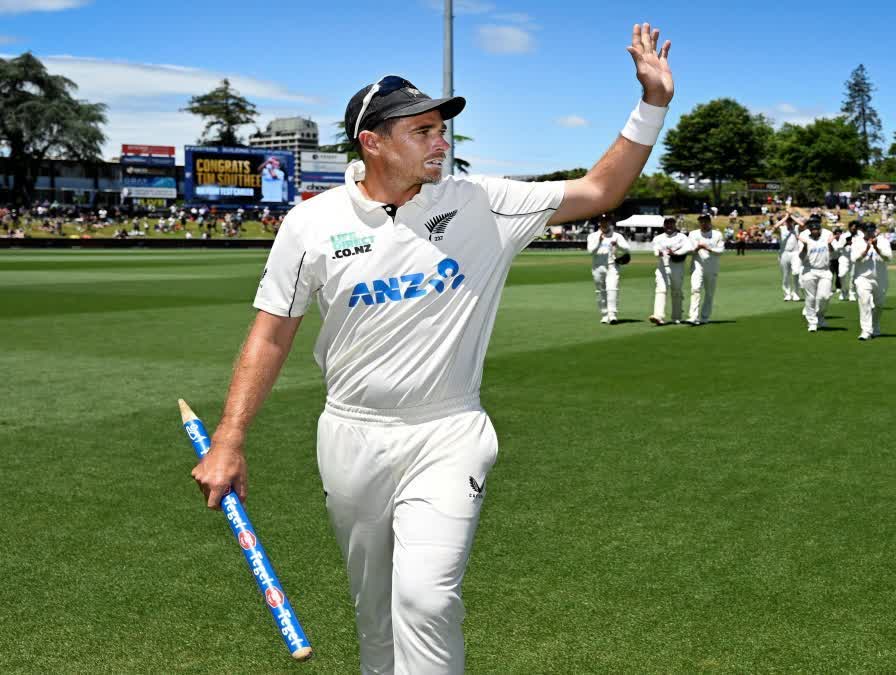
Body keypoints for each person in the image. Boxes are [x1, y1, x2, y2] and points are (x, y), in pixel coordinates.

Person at [189, 23, 675, 675]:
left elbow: (598, 192)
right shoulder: (311, 224)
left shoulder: (483, 203)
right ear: (372, 142)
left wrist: (652, 104)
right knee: (375, 614)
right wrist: (229, 436)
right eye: (423, 131)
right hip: (350, 436)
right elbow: (271, 332)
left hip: (449, 430)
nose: (441, 142)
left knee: (425, 598)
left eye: (441, 129)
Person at [586, 213, 630, 324]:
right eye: (602, 221)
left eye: (606, 221)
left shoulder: (617, 236)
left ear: (610, 222)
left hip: (612, 266)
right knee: (601, 292)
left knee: (612, 289)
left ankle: (612, 315)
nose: (604, 223)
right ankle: (605, 314)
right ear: (599, 223)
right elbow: (591, 251)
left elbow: (627, 249)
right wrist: (599, 242)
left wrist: (618, 245)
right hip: (598, 267)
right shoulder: (592, 236)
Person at [851, 221, 891, 340]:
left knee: (879, 305)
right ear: (863, 231)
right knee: (864, 302)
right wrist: (867, 248)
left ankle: (875, 325)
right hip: (863, 278)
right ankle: (866, 331)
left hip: (880, 278)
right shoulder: (857, 242)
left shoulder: (883, 241)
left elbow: (888, 257)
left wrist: (877, 248)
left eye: (872, 230)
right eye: (867, 230)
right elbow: (854, 258)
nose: (870, 232)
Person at [650, 215, 692, 325]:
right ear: (664, 225)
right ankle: (658, 316)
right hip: (662, 267)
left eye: (671, 223)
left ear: (674, 224)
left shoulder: (682, 237)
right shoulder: (658, 238)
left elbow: (688, 247)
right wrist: (657, 253)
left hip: (677, 266)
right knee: (661, 290)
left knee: (676, 291)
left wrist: (676, 253)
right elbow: (655, 249)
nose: (669, 225)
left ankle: (677, 316)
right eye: (667, 223)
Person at [797, 214, 834, 332]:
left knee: (824, 296)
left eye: (817, 226)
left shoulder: (827, 234)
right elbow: (801, 256)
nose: (815, 229)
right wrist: (804, 246)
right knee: (810, 297)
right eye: (812, 227)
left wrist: (830, 244)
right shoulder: (803, 236)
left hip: (825, 270)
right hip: (809, 270)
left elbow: (834, 251)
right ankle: (812, 322)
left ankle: (820, 315)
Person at [687, 212, 724, 324]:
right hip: (697, 267)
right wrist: (696, 248)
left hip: (712, 268)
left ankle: (704, 317)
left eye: (705, 221)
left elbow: (720, 250)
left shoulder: (717, 234)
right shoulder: (693, 234)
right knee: (695, 289)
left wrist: (708, 248)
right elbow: (689, 250)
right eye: (701, 221)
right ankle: (693, 317)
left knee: (709, 293)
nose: (703, 223)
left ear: (709, 222)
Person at [833, 220, 858, 301]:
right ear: (849, 228)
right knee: (841, 275)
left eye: (855, 228)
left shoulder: (860, 235)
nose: (854, 230)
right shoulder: (844, 236)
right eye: (853, 228)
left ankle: (852, 293)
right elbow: (836, 248)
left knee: (853, 276)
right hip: (844, 257)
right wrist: (845, 244)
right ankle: (844, 291)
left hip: (855, 258)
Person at [778, 214, 800, 301]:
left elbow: (802, 224)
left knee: (796, 272)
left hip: (795, 253)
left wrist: (792, 217)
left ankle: (796, 293)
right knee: (786, 275)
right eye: (788, 221)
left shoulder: (796, 228)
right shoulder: (782, 228)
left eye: (790, 221)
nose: (789, 223)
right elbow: (775, 226)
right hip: (784, 253)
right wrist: (786, 217)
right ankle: (787, 294)